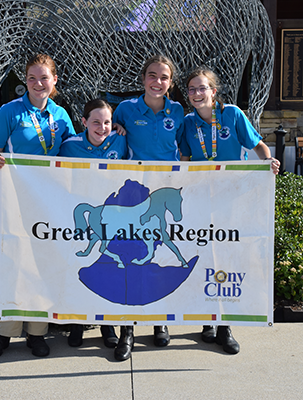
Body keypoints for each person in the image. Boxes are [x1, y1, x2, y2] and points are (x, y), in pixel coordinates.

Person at [180, 66, 280, 354]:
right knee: (201, 256)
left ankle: (225, 325)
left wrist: (267, 165)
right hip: (201, 199)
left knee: (226, 258)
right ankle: (205, 322)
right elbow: (186, 160)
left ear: (214, 91)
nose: (198, 94)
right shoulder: (188, 123)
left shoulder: (232, 114)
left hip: (230, 199)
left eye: (203, 88)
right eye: (192, 89)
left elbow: (257, 145)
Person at [0, 53, 76, 358]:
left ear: (54, 80)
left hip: (50, 201)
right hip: (17, 199)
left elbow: (75, 150)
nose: (38, 83)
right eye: (32, 78)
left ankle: (37, 332)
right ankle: (4, 333)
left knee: (43, 263)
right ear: (26, 80)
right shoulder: (9, 112)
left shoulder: (61, 115)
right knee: (15, 262)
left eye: (44, 77)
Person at [112, 54, 185, 361]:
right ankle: (127, 330)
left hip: (164, 194)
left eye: (164, 77)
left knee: (161, 254)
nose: (158, 82)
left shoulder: (179, 111)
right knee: (131, 255)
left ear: (171, 83)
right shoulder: (126, 109)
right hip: (134, 193)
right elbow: (112, 141)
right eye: (152, 75)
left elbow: (185, 147)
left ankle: (160, 322)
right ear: (143, 79)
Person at [59, 98, 128, 349]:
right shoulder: (69, 146)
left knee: (107, 265)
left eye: (107, 122)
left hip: (111, 217)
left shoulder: (120, 140)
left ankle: (107, 324)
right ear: (84, 122)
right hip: (81, 216)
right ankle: (78, 322)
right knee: (81, 264)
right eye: (96, 122)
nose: (102, 127)